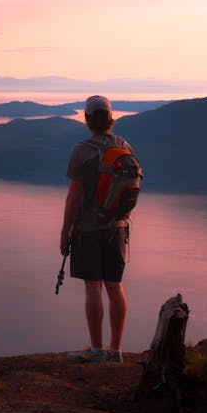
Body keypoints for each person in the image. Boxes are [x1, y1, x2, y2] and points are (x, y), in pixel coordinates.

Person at [60, 95, 137, 363]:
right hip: (118, 227)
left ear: (87, 118)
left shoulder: (82, 150)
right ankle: (115, 350)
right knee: (115, 286)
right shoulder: (124, 146)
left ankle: (95, 350)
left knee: (93, 286)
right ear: (110, 117)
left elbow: (74, 197)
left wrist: (64, 232)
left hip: (88, 227)